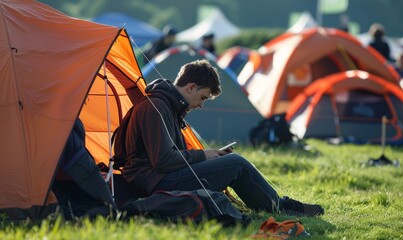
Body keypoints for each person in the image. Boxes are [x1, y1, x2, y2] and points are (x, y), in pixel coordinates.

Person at [121, 59, 324, 216]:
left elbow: (170, 156)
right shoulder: (155, 108)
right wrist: (205, 156)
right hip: (154, 182)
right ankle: (278, 206)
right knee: (235, 163)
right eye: (202, 98)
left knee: (229, 161)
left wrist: (210, 156)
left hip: (161, 177)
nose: (201, 105)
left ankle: (276, 203)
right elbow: (163, 160)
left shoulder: (170, 108)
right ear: (191, 87)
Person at [53, 118, 116, 220]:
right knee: (109, 211)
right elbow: (77, 162)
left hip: (61, 186)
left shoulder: (66, 119)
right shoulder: (61, 120)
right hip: (66, 186)